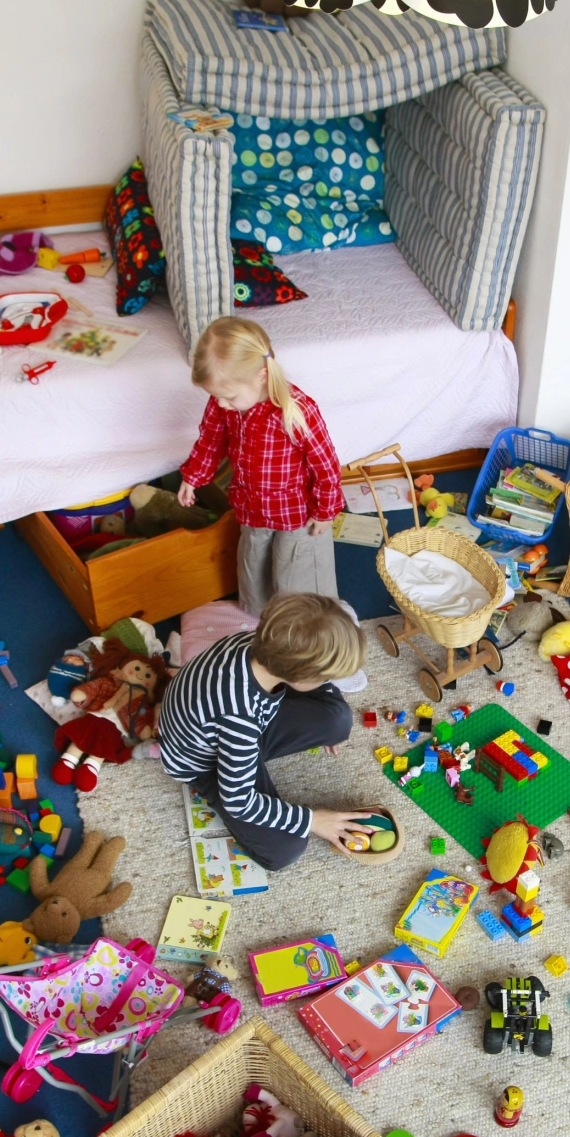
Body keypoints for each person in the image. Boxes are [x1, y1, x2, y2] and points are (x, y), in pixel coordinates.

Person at [158, 592, 380, 871]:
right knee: (285, 849)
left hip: (235, 725)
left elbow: (308, 685)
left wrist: (321, 692)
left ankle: (309, 701)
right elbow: (238, 801)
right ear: (300, 676)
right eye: (324, 676)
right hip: (206, 762)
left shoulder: (261, 644)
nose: (329, 682)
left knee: (336, 720)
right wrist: (312, 820)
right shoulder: (238, 717)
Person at [177, 315, 344, 615]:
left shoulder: (296, 410)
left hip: (296, 513)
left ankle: (302, 624)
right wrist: (193, 476)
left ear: (261, 376)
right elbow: (210, 439)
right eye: (217, 397)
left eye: (228, 397)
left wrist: (325, 510)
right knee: (255, 563)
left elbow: (326, 466)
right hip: (252, 507)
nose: (222, 404)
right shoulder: (223, 403)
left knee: (297, 572)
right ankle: (261, 618)